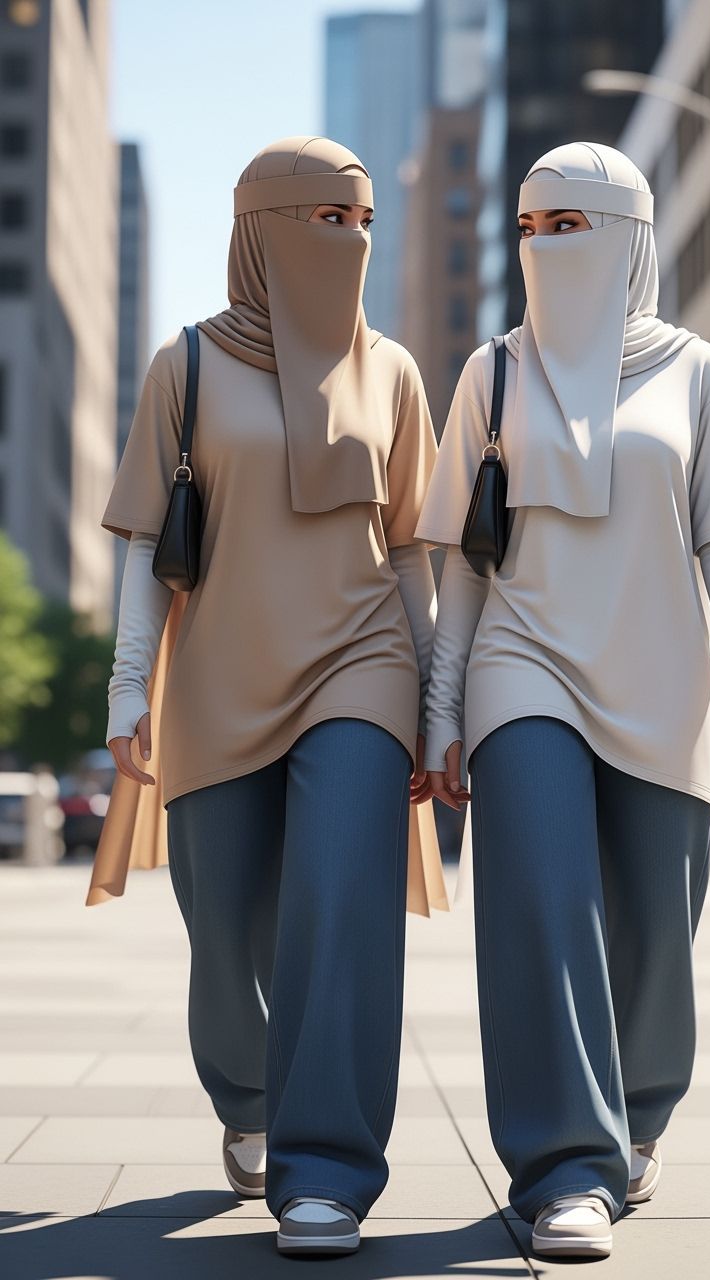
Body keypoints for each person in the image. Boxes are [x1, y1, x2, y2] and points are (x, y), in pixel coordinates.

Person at [416, 142, 710, 1260]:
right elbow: (466, 564)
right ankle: (563, 1165)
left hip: (666, 673)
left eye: (565, 225)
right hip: (521, 662)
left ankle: (634, 1114)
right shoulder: (491, 371)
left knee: (653, 931)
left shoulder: (695, 371)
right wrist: (442, 708)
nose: (542, 246)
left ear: (626, 234)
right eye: (528, 227)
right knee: (538, 905)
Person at [97, 136, 445, 1257]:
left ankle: (328, 1170)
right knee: (229, 932)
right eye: (320, 219)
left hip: (362, 662)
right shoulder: (184, 365)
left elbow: (410, 554)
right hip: (217, 673)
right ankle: (247, 1097)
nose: (343, 239)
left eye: (358, 221)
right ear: (257, 229)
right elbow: (149, 540)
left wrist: (436, 702)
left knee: (340, 910)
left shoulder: (391, 369)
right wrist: (124, 687)